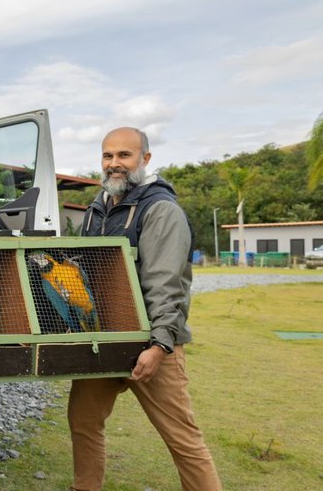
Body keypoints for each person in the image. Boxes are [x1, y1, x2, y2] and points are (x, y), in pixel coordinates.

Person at [67, 127, 222, 491]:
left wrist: (159, 345)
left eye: (124, 155)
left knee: (182, 439)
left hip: (152, 343)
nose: (114, 164)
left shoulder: (161, 210)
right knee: (83, 422)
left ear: (145, 159)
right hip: (105, 339)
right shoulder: (96, 210)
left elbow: (166, 284)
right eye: (108, 156)